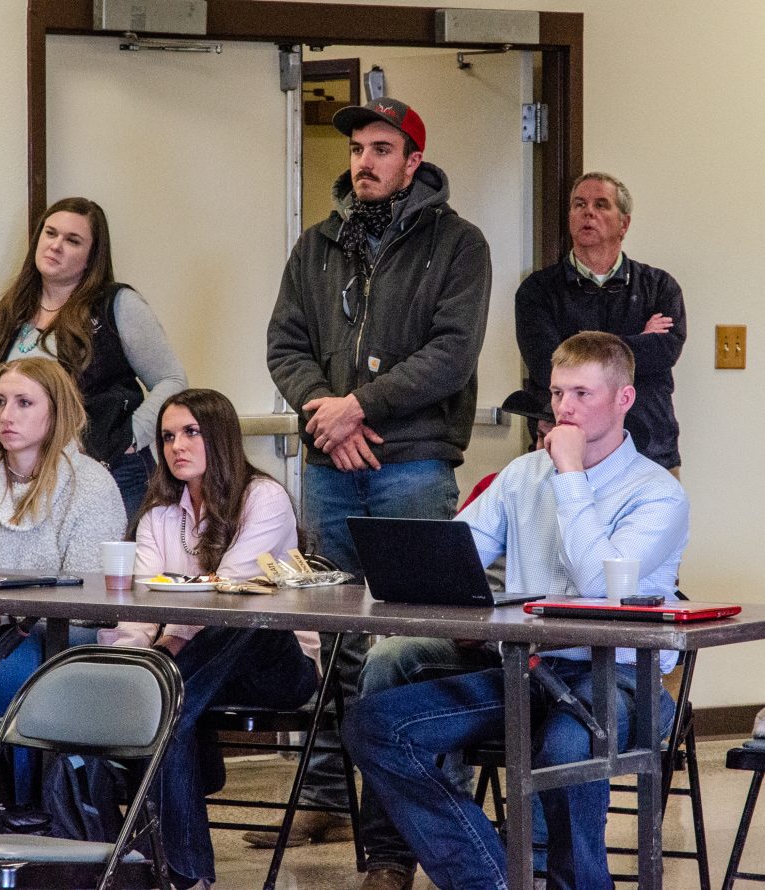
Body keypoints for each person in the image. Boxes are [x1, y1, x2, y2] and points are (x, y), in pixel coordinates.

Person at [342, 332, 690, 890]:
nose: (564, 409)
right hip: (526, 671)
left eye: (582, 393)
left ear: (624, 399)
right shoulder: (523, 476)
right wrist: (408, 567)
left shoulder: (656, 493)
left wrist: (571, 475)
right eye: (557, 394)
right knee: (376, 726)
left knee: (566, 745)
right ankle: (494, 877)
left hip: (625, 679)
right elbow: (459, 551)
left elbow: (598, 581)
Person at [261, 96, 491, 854]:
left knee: (406, 648)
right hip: (333, 469)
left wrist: (357, 405)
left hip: (413, 468)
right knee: (333, 644)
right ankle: (328, 800)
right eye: (358, 148)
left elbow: (450, 355)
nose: (364, 161)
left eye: (381, 148)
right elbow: (285, 346)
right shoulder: (317, 245)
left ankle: (396, 841)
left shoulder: (459, 244)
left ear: (413, 161)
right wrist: (323, 410)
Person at [96, 389, 320, 890]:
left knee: (243, 617)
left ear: (219, 437)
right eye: (168, 436)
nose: (177, 446)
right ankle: (188, 876)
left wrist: (166, 651)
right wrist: (132, 660)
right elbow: (139, 605)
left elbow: (231, 591)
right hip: (197, 676)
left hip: (276, 665)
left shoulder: (265, 496)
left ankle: (162, 702)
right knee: (165, 705)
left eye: (191, 432)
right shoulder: (158, 516)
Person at [0, 356, 127, 802]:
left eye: (24, 403)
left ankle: (29, 811)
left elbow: (85, 593)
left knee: (14, 673)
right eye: (0, 402)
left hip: (71, 630)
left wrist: (11, 620)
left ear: (55, 411)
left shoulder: (91, 484)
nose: (7, 416)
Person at [0, 196, 186, 520]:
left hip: (109, 471)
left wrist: (131, 437)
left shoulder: (118, 305)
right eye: (50, 233)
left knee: (114, 572)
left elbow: (172, 381)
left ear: (90, 258)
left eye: (72, 240)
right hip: (32, 477)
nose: (56, 246)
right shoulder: (15, 307)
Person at [515, 172, 686, 474]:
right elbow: (546, 364)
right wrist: (636, 340)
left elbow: (662, 352)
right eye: (579, 204)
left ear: (624, 223)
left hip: (650, 452)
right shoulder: (537, 291)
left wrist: (577, 344)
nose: (588, 212)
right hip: (565, 456)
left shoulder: (659, 287)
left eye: (601, 204)